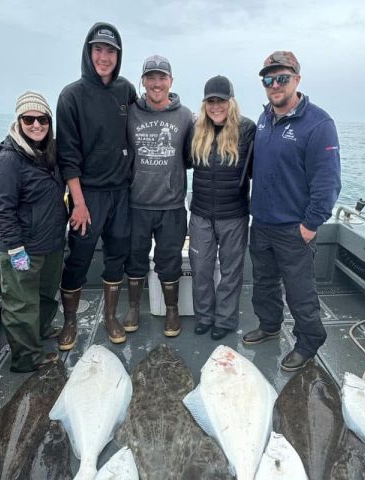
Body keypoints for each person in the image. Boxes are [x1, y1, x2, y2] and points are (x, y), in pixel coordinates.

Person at [243, 51, 341, 371]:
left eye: (282, 78)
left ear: (297, 80)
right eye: (268, 79)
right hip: (262, 222)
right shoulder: (263, 119)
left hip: (294, 227)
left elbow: (327, 181)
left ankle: (309, 341)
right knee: (265, 282)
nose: (275, 84)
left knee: (300, 291)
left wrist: (311, 225)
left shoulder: (318, 123)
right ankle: (269, 325)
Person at [55, 23, 137, 349]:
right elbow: (67, 155)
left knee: (117, 255)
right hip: (86, 195)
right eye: (98, 50)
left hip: (122, 193)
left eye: (111, 51)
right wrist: (78, 202)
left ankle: (111, 317)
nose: (104, 57)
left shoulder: (125, 90)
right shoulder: (71, 95)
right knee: (79, 258)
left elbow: (144, 119)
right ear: (89, 52)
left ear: (118, 56)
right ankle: (70, 321)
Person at [0, 91, 67, 373]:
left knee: (46, 296)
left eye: (42, 119)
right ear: (19, 120)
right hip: (22, 249)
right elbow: (2, 211)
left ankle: (42, 331)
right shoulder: (8, 161)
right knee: (21, 304)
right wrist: (15, 250)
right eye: (29, 119)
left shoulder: (50, 154)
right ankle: (26, 358)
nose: (36, 125)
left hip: (51, 244)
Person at [123, 55, 194, 337]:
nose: (156, 83)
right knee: (135, 258)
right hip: (136, 204)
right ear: (142, 81)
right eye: (150, 77)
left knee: (170, 260)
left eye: (162, 77)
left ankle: (172, 310)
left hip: (172, 206)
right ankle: (132, 308)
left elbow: (191, 157)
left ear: (171, 81)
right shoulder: (129, 113)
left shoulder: (186, 116)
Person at [188, 75, 256, 340]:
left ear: (231, 102)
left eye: (221, 101)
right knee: (201, 270)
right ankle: (204, 316)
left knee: (231, 272)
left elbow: (259, 170)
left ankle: (225, 320)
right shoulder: (196, 130)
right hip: (201, 214)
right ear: (205, 104)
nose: (216, 106)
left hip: (234, 215)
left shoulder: (247, 129)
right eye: (211, 101)